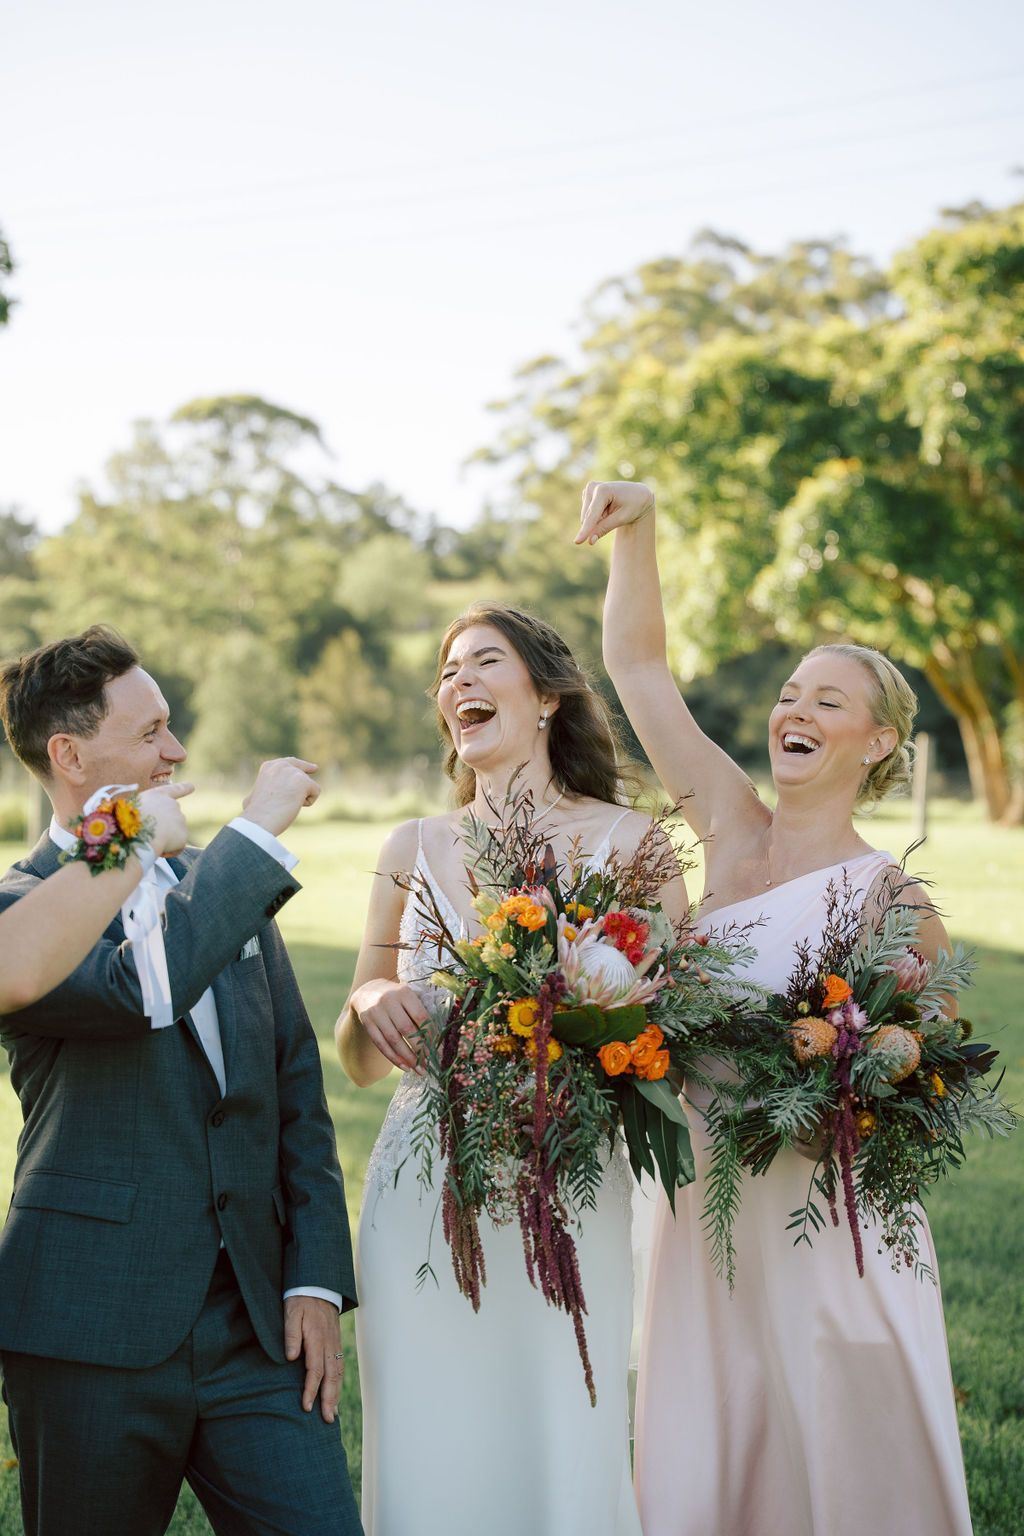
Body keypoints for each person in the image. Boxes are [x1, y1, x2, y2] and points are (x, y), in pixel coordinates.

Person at [576, 481, 973, 1536]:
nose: (794, 712)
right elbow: (639, 670)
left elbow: (928, 1062)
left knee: (837, 1428)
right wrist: (641, 526)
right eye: (791, 693)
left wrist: (856, 1090)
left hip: (822, 1212)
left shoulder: (892, 897)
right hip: (704, 1203)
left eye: (827, 702)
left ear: (877, 743)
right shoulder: (726, 822)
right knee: (715, 1432)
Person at [0, 625, 361, 1536]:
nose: (178, 751)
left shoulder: (214, 883)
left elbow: (297, 1088)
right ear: (69, 755)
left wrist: (316, 1278)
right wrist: (251, 832)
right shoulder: (16, 914)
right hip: (88, 1328)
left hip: (256, 1327)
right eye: (151, 731)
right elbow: (141, 991)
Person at [337, 602, 687, 1536]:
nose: (459, 682)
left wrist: (582, 1028)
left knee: (562, 1420)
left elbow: (674, 1034)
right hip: (423, 1182)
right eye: (448, 671)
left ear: (547, 698)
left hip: (566, 1180)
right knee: (430, 1433)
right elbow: (358, 1062)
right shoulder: (410, 847)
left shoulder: (633, 844)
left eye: (484, 662)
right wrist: (371, 1003)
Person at [0, 784, 191, 1014]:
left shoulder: (199, 863)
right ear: (71, 762)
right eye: (145, 744)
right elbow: (134, 994)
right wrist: (140, 842)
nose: (176, 762)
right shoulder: (12, 905)